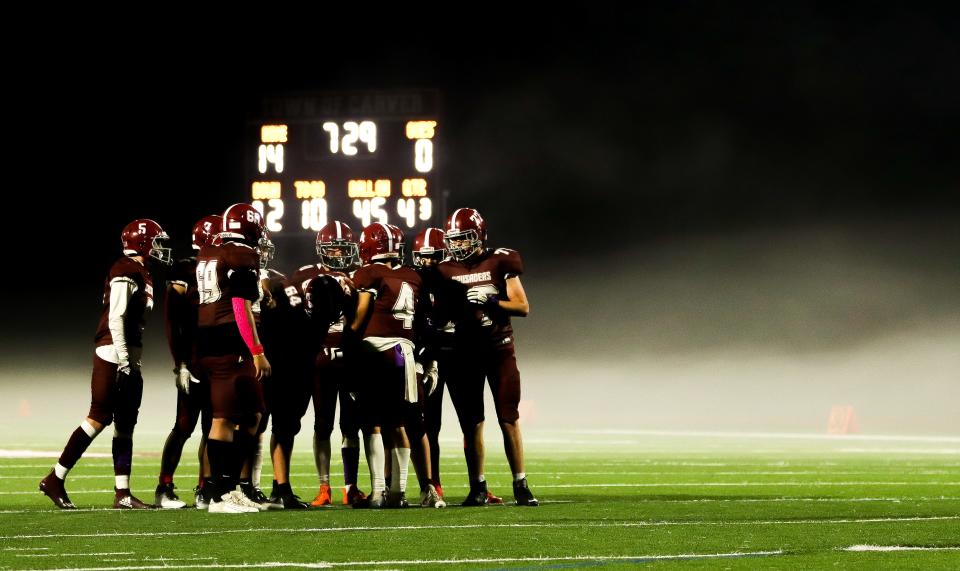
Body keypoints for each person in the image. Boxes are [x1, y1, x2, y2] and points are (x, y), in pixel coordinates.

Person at [40, 219, 172, 509]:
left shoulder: (141, 272)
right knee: (98, 418)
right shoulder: (125, 269)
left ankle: (122, 493)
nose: (160, 247)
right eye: (156, 241)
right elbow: (116, 318)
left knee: (125, 425)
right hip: (114, 353)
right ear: (141, 242)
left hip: (127, 355)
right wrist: (125, 361)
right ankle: (55, 478)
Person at [437, 208, 539, 506]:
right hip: (464, 353)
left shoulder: (500, 260)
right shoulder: (444, 270)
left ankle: (520, 483)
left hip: (498, 349)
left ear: (480, 236)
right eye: (454, 239)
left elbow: (522, 307)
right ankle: (478, 486)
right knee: (472, 423)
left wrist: (493, 300)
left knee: (508, 417)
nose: (458, 245)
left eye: (464, 238)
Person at [194, 203, 271, 513]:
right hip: (230, 342)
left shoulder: (210, 252)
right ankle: (219, 494)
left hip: (210, 339)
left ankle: (230, 488)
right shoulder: (240, 254)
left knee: (253, 414)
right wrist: (257, 350)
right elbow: (240, 306)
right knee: (224, 418)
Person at [155, 214, 221, 509]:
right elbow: (173, 320)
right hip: (193, 359)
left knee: (211, 426)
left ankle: (204, 487)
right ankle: (164, 487)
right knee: (184, 425)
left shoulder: (222, 269)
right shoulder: (185, 268)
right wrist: (179, 362)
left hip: (215, 358)